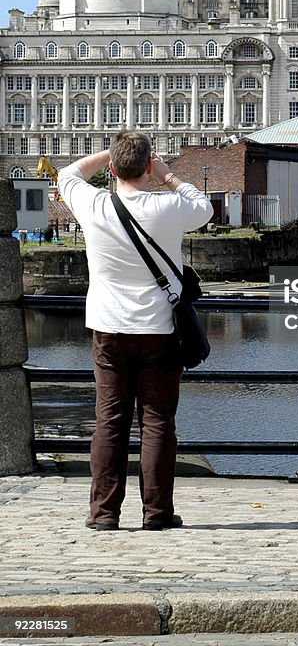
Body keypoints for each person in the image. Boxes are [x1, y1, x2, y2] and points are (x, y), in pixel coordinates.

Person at [57, 133, 213, 532]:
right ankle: (157, 513)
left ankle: (104, 513)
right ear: (147, 167)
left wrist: (111, 153)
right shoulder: (168, 207)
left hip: (109, 328)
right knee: (158, 421)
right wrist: (167, 174)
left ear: (111, 169)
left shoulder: (93, 204)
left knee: (110, 421)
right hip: (161, 330)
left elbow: (68, 173)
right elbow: (204, 207)